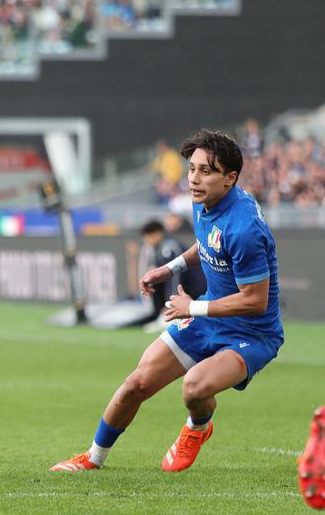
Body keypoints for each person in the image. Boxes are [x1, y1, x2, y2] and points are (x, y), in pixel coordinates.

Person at [52, 130, 284, 473]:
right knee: (137, 383)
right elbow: (208, 243)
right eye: (192, 169)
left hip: (252, 332)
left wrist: (192, 307)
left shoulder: (245, 228)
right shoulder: (204, 199)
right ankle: (93, 458)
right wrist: (170, 268)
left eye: (206, 171)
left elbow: (255, 301)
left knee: (194, 388)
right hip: (209, 314)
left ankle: (198, 426)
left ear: (230, 178)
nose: (194, 179)